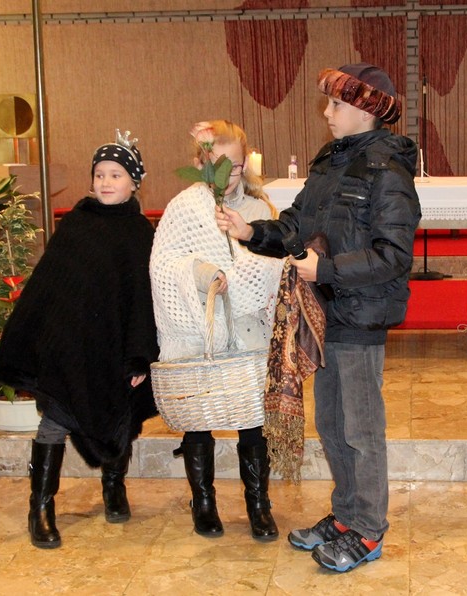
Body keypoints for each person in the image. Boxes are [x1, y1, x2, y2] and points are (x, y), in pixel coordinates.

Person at [216, 63, 420, 572]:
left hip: (359, 316)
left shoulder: (388, 172)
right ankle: (346, 515)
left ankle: (368, 529)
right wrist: (251, 232)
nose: (327, 112)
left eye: (336, 104)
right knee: (331, 424)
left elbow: (394, 255)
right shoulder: (332, 162)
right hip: (324, 313)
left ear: (366, 111)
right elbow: (294, 225)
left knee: (360, 430)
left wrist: (325, 269)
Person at [0, 130, 158, 549]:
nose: (105, 182)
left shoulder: (140, 232)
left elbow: (143, 298)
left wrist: (139, 355)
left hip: (115, 347)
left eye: (115, 175)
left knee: (121, 417)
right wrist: (44, 341)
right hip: (71, 347)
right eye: (99, 174)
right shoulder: (76, 225)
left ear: (134, 182)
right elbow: (51, 286)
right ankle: (40, 507)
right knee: (55, 420)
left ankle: (114, 487)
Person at [151, 120, 284, 541]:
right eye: (218, 167)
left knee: (253, 418)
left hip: (247, 328)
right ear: (200, 164)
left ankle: (258, 503)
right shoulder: (184, 208)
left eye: (236, 167)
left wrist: (240, 275)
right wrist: (203, 272)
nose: (228, 177)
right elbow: (163, 263)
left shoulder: (259, 209)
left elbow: (273, 260)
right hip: (198, 324)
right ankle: (203, 501)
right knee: (198, 417)